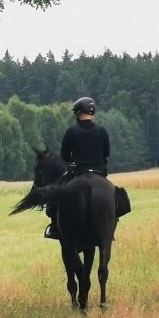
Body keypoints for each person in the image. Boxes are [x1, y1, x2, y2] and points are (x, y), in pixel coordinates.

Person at [45, 96, 111, 239]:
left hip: (78, 172)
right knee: (116, 196)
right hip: (100, 173)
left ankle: (54, 228)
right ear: (92, 113)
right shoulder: (102, 131)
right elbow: (106, 153)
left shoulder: (72, 131)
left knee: (55, 200)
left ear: (78, 113)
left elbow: (64, 155)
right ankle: (112, 222)